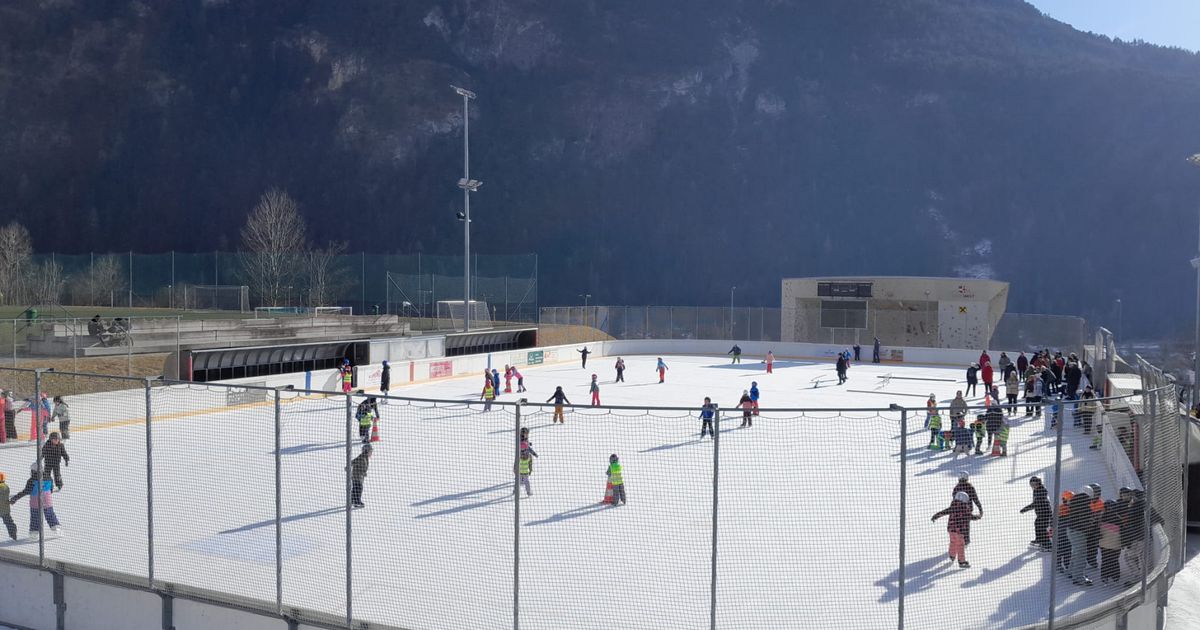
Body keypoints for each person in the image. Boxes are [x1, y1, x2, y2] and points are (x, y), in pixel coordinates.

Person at [932, 492, 981, 568]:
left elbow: (944, 512)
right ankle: (961, 561)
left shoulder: (953, 506)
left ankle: (952, 555)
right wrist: (978, 517)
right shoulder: (965, 508)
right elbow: (970, 517)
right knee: (961, 545)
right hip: (960, 531)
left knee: (953, 542)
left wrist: (936, 516)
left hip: (951, 529)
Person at [10, 463, 60, 538]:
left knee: (35, 517)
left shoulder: (31, 480)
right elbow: (51, 489)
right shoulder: (49, 478)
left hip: (35, 502)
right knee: (50, 514)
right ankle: (56, 528)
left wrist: (15, 498)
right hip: (47, 500)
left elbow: (26, 491)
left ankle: (34, 533)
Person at [1065, 485, 1096, 586]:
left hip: (1071, 530)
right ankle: (1078, 578)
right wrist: (1091, 527)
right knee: (1081, 555)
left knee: (1076, 552)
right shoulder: (1084, 505)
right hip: (1079, 532)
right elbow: (1085, 521)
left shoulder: (1074, 502)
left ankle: (1071, 572)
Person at [1118, 487, 1146, 585]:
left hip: (1136, 538)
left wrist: (1127, 541)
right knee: (1137, 557)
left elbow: (1130, 526)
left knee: (1130, 558)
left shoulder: (1135, 507)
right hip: (1139, 537)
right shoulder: (1141, 505)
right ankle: (1140, 577)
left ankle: (1139, 577)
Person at [1020, 476, 1051, 551]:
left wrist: (1025, 509)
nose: (1032, 486)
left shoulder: (1041, 491)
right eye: (1031, 485)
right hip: (1040, 513)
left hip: (1045, 513)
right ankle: (1039, 540)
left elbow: (1035, 504)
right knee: (1037, 524)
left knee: (1042, 528)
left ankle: (1048, 545)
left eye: (1034, 484)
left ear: (1038, 483)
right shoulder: (1036, 490)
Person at [1098, 497, 1123, 584]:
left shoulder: (1101, 517)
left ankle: (1105, 576)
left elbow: (1097, 530)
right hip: (1116, 544)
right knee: (1114, 559)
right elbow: (1123, 530)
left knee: (1105, 559)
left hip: (1104, 544)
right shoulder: (1118, 518)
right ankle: (1115, 576)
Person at [0, 472, 15, 540]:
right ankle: (13, 533)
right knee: (8, 522)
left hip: (3, 508)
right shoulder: (6, 486)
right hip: (5, 509)